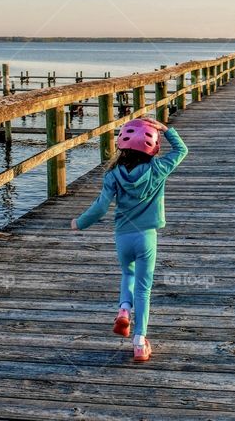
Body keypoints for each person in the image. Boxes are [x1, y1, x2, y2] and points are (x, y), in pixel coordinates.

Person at [70, 116, 188, 362]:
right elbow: (181, 150)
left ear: (121, 146)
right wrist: (166, 129)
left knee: (128, 275)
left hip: (123, 236)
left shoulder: (112, 175)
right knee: (144, 289)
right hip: (146, 237)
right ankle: (139, 342)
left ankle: (124, 309)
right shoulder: (158, 168)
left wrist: (80, 222)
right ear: (153, 147)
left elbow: (101, 208)